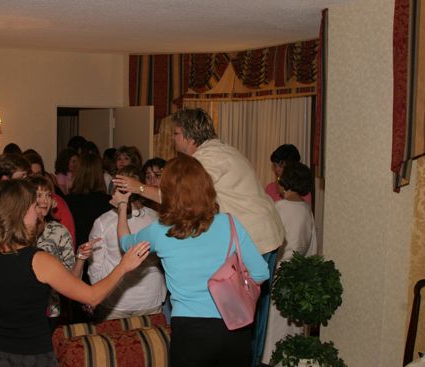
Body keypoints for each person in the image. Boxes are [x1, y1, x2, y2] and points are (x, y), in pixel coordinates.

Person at [112, 108, 284, 365]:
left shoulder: (207, 160)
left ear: (191, 138)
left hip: (254, 237)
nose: (174, 140)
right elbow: (259, 274)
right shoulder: (221, 156)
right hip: (249, 236)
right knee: (241, 312)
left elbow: (175, 198)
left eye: (177, 134)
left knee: (241, 308)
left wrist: (131, 192)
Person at [0, 179, 150, 367]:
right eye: (33, 206)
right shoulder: (38, 260)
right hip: (30, 357)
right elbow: (91, 297)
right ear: (18, 213)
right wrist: (123, 266)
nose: (38, 211)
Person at [88, 165, 165, 321]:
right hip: (144, 298)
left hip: (119, 301)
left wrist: (97, 295)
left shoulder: (103, 222)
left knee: (113, 346)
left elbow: (95, 266)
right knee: (152, 345)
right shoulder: (157, 218)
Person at [262, 161, 317, 365]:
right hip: (298, 276)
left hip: (278, 274)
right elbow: (312, 246)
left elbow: (269, 242)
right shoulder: (306, 209)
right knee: (292, 327)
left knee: (273, 328)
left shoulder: (279, 207)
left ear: (286, 181)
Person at [27, 175, 92, 330]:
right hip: (21, 310)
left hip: (51, 312)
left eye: (48, 195)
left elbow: (72, 279)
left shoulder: (59, 231)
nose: (44, 200)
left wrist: (81, 258)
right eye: (38, 195)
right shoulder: (16, 230)